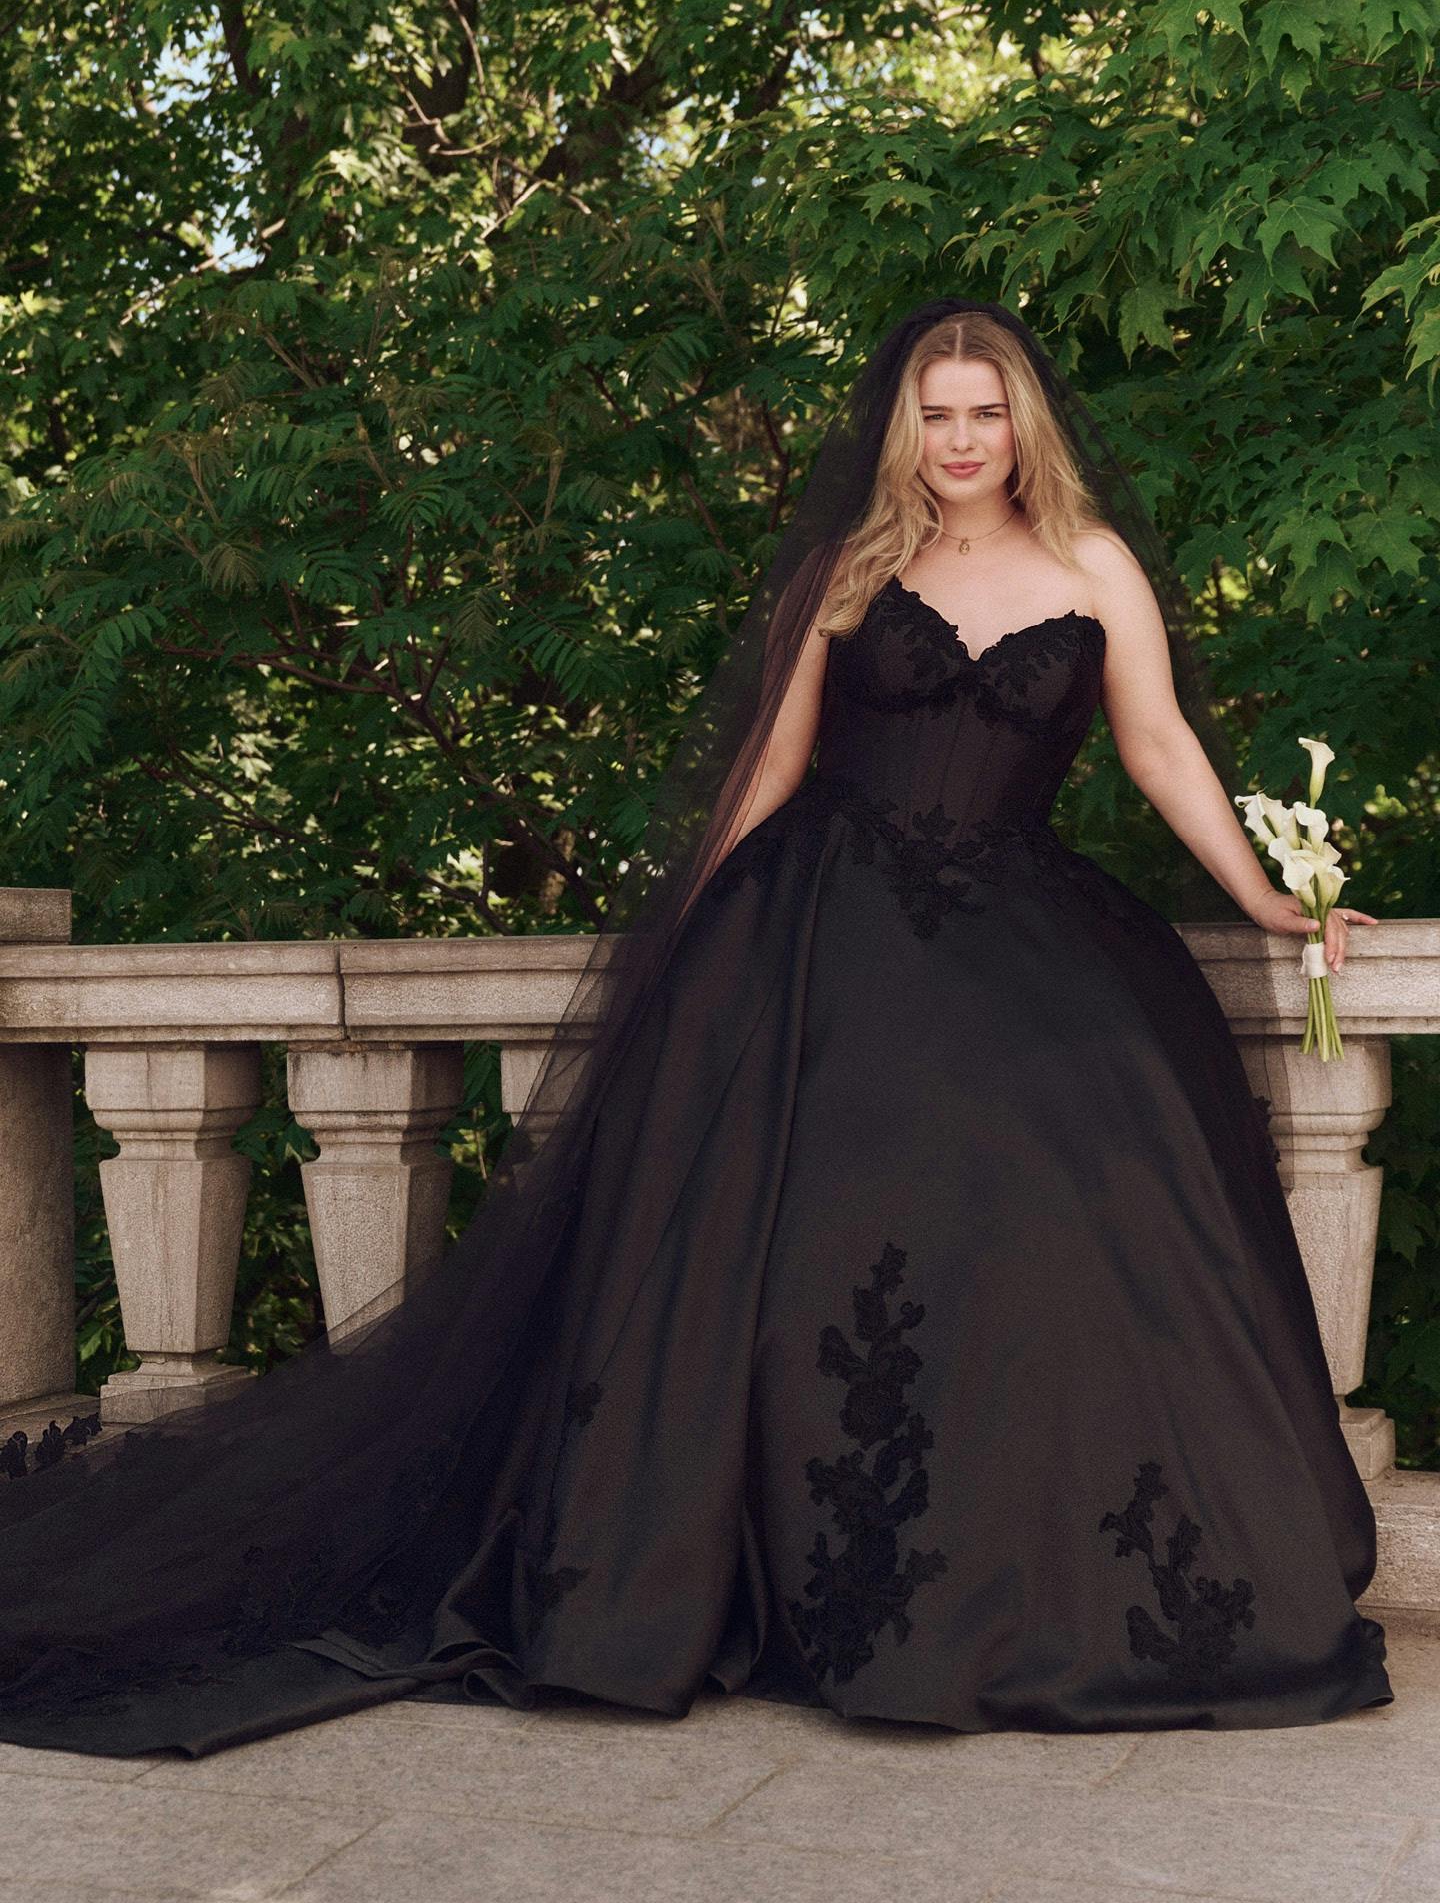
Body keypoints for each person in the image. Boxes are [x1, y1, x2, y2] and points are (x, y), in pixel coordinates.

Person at [0, 297, 1392, 1757]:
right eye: (938, 413)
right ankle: (818, 1586)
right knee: (822, 1231)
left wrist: (1269, 902)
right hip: (826, 928)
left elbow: (1158, 742)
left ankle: (1015, 1588)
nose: (964, 439)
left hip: (1021, 926)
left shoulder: (1092, 563)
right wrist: (685, 952)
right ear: (903, 427)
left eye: (987, 411)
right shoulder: (853, 568)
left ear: (1024, 420)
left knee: (1057, 1182)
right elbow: (776, 767)